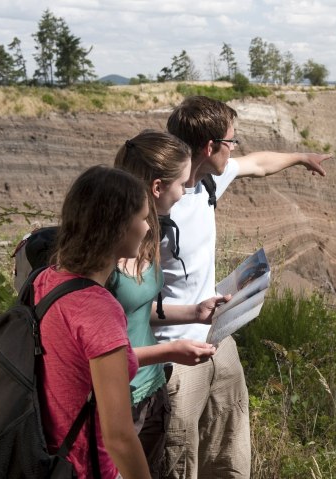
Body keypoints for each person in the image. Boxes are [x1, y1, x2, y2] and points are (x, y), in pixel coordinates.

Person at [156, 95, 331, 479]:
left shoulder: (209, 181)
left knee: (228, 450)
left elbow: (259, 164)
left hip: (219, 337)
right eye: (231, 141)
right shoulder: (155, 207)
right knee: (178, 458)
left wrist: (302, 157)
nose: (235, 149)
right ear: (210, 146)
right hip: (175, 354)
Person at [112, 130, 229, 478]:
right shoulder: (113, 246)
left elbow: (134, 310)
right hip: (121, 397)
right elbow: (101, 352)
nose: (187, 189)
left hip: (150, 391)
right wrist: (170, 351)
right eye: (181, 182)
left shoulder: (147, 235)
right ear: (158, 187)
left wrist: (194, 312)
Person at [34, 165, 153, 479]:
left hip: (46, 456)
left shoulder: (48, 279)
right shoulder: (98, 309)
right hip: (85, 467)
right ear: (117, 226)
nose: (148, 228)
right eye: (142, 218)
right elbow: (120, 438)